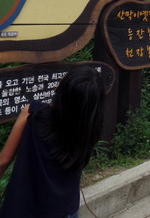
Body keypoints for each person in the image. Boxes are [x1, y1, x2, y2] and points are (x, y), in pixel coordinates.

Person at [0, 66, 105, 218]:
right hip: (66, 210)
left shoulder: (32, 113)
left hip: (24, 208)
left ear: (62, 91)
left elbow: (3, 161)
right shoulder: (90, 129)